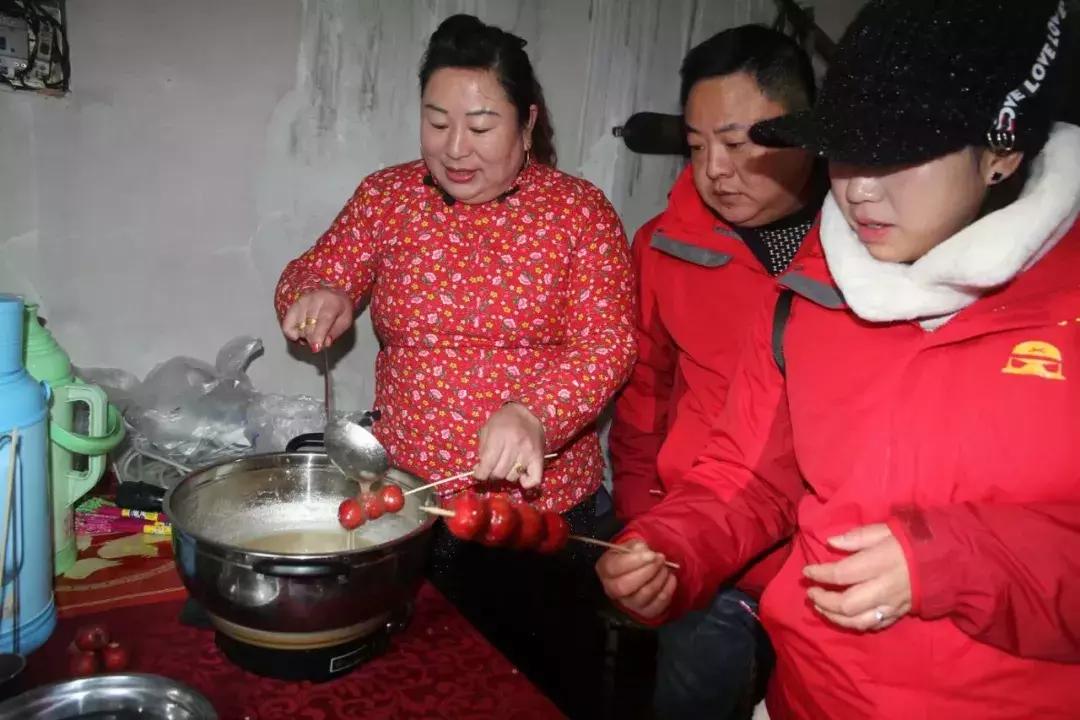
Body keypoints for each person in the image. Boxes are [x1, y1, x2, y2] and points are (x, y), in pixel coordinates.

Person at [596, 1, 1080, 718]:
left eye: (901, 153)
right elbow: (750, 474)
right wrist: (673, 545)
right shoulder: (812, 285)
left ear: (1002, 151)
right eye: (848, 150)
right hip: (808, 696)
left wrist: (949, 561)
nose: (858, 189)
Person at [274, 14, 634, 717]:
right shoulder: (389, 196)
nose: (455, 148)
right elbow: (316, 273)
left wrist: (534, 413)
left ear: (527, 123)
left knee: (533, 695)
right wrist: (317, 293)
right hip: (408, 508)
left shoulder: (579, 214)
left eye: (481, 124)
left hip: (535, 521)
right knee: (411, 694)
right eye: (437, 122)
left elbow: (607, 345)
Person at [607, 25, 822, 720]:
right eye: (697, 148)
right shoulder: (666, 246)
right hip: (705, 557)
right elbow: (644, 397)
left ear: (805, 130)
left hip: (826, 576)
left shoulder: (867, 246)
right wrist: (649, 527)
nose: (715, 171)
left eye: (736, 144)